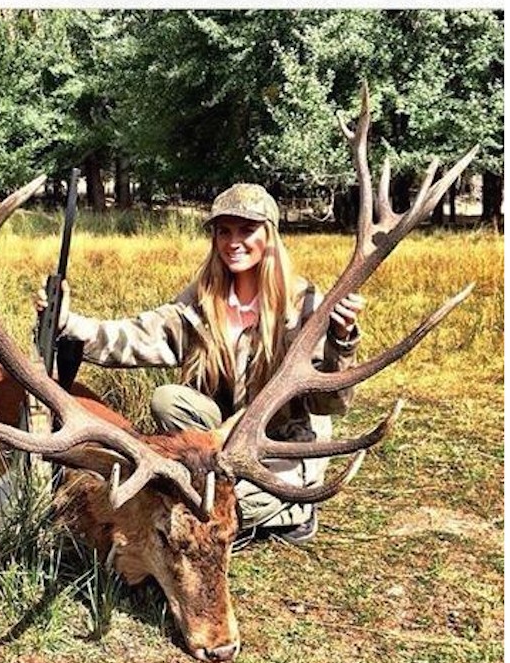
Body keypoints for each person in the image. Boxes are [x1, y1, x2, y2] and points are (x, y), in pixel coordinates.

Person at [42, 184, 364, 545]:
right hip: (220, 445)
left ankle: (297, 511)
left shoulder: (305, 305)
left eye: (247, 230)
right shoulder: (202, 300)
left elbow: (331, 403)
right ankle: (221, 492)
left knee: (216, 506)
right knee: (168, 401)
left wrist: (341, 340)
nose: (233, 242)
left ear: (270, 235)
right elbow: (137, 336)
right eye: (224, 231)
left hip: (278, 449)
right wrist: (70, 324)